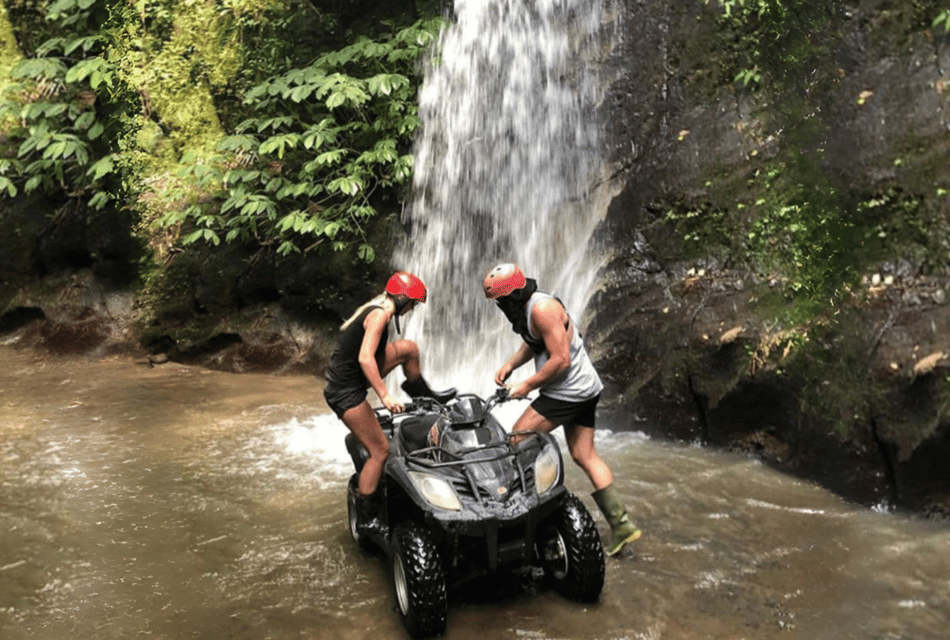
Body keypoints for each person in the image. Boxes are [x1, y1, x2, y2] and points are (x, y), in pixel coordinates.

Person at [482, 263, 641, 556]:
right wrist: (510, 365)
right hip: (584, 389)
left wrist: (526, 386)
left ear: (514, 294)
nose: (500, 306)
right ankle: (622, 525)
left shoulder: (542, 308)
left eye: (501, 300)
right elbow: (535, 341)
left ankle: (530, 517)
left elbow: (561, 360)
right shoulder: (530, 309)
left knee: (518, 439)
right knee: (584, 455)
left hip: (568, 392)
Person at [325, 271, 455, 535]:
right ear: (403, 299)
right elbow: (364, 358)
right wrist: (384, 394)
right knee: (380, 451)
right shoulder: (380, 315)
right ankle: (367, 520)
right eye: (413, 303)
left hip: (352, 380)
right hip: (345, 392)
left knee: (408, 349)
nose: (412, 309)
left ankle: (424, 396)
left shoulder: (379, 307)